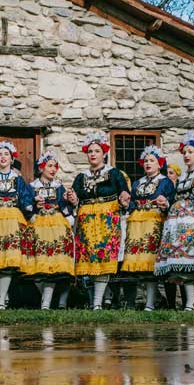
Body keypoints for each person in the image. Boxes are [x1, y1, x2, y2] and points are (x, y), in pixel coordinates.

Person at [68, 131, 130, 310]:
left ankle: (97, 303)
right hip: (86, 221)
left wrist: (125, 196)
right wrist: (72, 198)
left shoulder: (114, 173)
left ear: (104, 153)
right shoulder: (81, 177)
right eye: (90, 151)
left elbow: (124, 193)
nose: (93, 154)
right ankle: (95, 300)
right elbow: (75, 198)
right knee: (88, 258)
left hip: (107, 220)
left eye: (96, 151)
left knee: (103, 258)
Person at [154, 131, 194, 310]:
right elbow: (175, 199)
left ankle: (190, 303)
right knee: (181, 262)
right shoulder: (181, 179)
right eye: (185, 152)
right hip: (179, 223)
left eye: (190, 152)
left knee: (190, 263)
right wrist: (166, 203)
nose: (187, 155)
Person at [0, 142, 34, 310]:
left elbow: (25, 197)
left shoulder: (17, 179)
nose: (3, 157)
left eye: (6, 154)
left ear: (12, 159)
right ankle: (3, 296)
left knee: (8, 261)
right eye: (0, 155)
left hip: (13, 218)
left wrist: (29, 210)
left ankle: (0, 300)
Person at [23, 151, 76, 310]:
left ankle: (53, 301)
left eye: (55, 166)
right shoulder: (32, 187)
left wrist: (68, 208)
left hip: (57, 225)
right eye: (49, 166)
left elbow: (64, 205)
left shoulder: (59, 187)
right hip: (39, 225)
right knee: (40, 265)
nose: (53, 169)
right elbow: (24, 203)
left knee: (56, 262)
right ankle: (46, 299)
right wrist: (33, 205)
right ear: (41, 168)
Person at [123, 145, 174, 310]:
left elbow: (171, 201)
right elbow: (132, 202)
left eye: (152, 160)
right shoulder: (138, 182)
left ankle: (151, 302)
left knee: (151, 262)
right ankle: (152, 300)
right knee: (141, 264)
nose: (148, 163)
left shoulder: (165, 181)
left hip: (154, 221)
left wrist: (165, 202)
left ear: (159, 164)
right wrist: (127, 203)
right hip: (138, 223)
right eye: (145, 161)